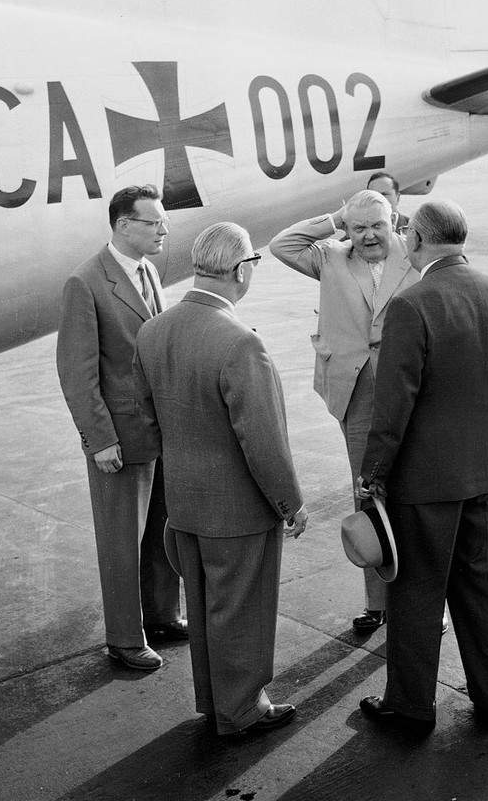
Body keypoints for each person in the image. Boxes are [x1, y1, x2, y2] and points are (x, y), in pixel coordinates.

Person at [355, 200, 488, 734]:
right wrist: (478, 423)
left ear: (415, 240)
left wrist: (372, 476)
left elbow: (393, 408)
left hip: (424, 481)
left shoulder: (412, 304)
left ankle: (411, 708)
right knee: (484, 589)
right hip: (482, 475)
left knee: (414, 594)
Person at [132, 222, 308, 736]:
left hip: (184, 502)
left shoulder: (153, 330)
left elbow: (147, 416)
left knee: (208, 612)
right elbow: (265, 441)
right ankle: (242, 710)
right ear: (240, 270)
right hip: (237, 508)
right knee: (242, 613)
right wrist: (289, 503)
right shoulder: (239, 344)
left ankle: (215, 702)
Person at [269, 190, 419, 633]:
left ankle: (420, 602)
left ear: (394, 222)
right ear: (346, 229)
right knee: (367, 492)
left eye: (378, 225)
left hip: (409, 388)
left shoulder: (415, 252)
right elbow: (282, 245)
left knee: (415, 494)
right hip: (356, 391)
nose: (369, 235)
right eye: (359, 227)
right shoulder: (330, 257)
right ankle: (378, 603)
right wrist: (335, 218)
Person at [56, 184, 183, 672]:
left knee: (160, 530)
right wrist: (100, 439)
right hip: (120, 436)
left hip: (158, 428)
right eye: (153, 223)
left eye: (162, 222)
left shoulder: (147, 269)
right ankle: (124, 638)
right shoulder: (85, 282)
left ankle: (163, 616)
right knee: (121, 540)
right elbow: (77, 372)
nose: (163, 230)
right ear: (123, 225)